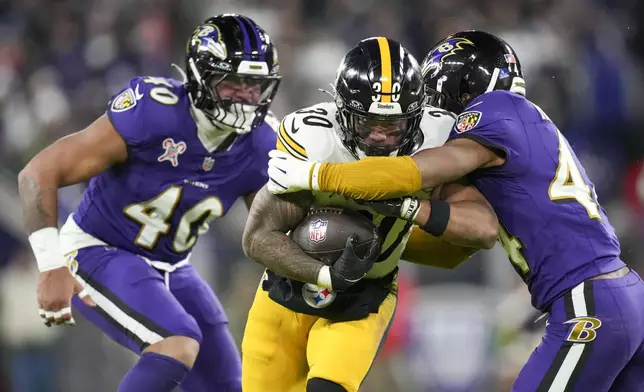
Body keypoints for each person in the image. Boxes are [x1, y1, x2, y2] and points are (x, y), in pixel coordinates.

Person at [267, 30, 644, 391]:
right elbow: (469, 234)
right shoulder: (525, 124)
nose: (435, 106)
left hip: (587, 299)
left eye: (436, 91)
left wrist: (320, 174)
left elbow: (423, 168)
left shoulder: (495, 109)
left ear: (459, 85)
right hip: (621, 291)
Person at [18, 14, 280, 392]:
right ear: (200, 77)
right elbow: (38, 172)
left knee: (227, 383)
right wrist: (49, 264)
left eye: (254, 84)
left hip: (172, 266)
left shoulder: (260, 143)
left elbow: (271, 228)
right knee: (176, 343)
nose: (244, 95)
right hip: (100, 249)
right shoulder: (153, 112)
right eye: (232, 82)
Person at [241, 36, 499, 392]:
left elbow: (483, 229)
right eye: (368, 124)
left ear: (417, 116)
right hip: (288, 291)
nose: (381, 138)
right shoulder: (315, 136)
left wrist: (410, 206)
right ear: (344, 113)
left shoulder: (437, 136)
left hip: (367, 295)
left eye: (393, 127)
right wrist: (328, 275)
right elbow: (257, 237)